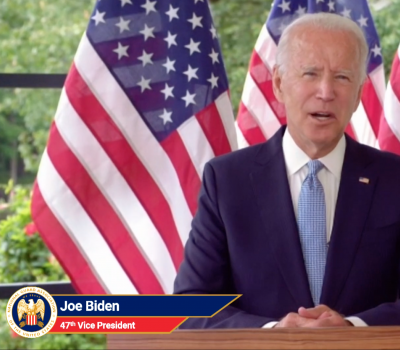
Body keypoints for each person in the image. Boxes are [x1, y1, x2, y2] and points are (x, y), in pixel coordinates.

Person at [173, 12, 400, 328]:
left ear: (360, 93)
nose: (325, 91)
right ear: (279, 83)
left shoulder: (394, 179)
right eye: (310, 73)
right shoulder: (226, 181)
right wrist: (273, 334)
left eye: (343, 77)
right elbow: (191, 305)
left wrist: (353, 328)